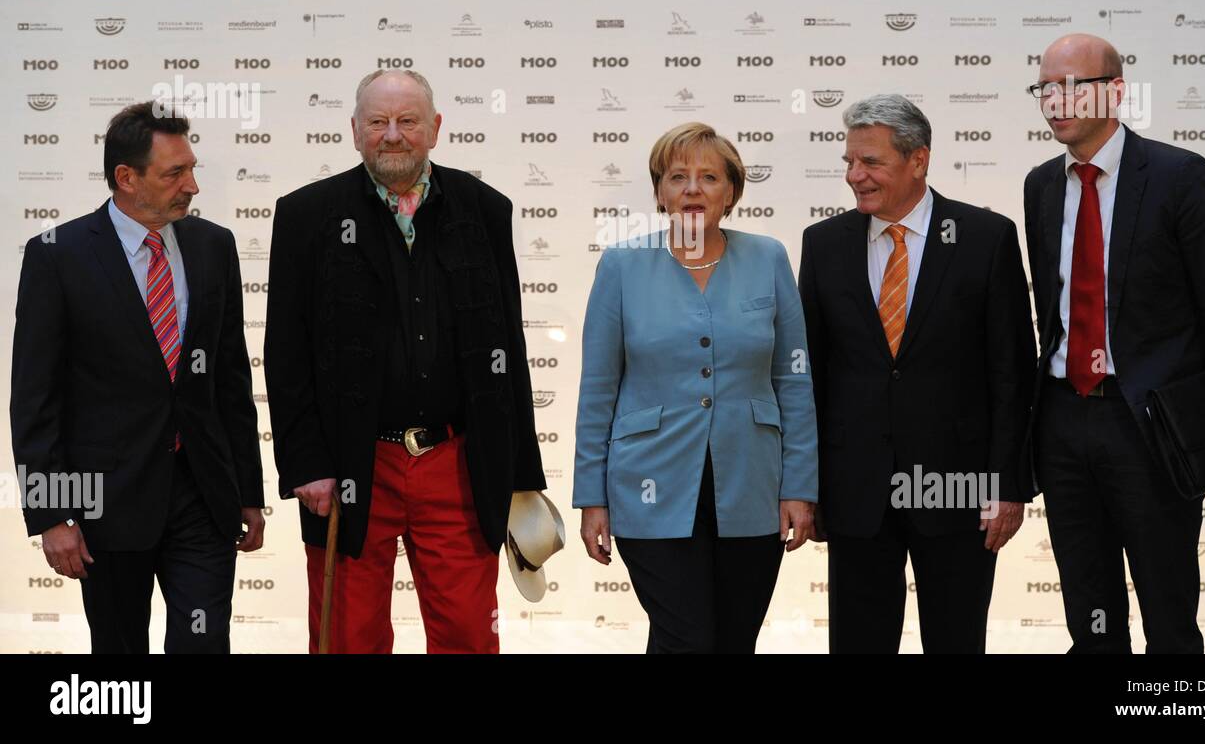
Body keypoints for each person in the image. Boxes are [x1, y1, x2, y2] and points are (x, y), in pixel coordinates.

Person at [1023, 33, 1205, 653]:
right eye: (1044, 88)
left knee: (1169, 615)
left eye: (1072, 86)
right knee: (1088, 615)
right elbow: (1053, 313)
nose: (1055, 101)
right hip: (1064, 420)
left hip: (1148, 423)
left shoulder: (1178, 176)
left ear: (1116, 91)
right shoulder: (1041, 185)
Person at [265, 69, 546, 653]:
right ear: (355, 131)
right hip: (350, 462)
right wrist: (305, 462)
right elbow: (285, 352)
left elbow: (507, 347)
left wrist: (520, 474)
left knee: (469, 633)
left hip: (457, 463)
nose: (392, 135)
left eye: (407, 121)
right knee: (348, 636)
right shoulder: (307, 215)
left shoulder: (485, 210)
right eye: (377, 122)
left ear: (435, 129)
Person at [10, 101, 264, 653]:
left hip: (203, 496)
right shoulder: (59, 256)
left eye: (191, 168)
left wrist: (248, 490)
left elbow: (228, 378)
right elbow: (35, 398)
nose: (192, 185)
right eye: (175, 173)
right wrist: (52, 515)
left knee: (203, 644)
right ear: (126, 178)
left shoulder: (213, 246)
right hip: (106, 506)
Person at [799, 95, 1036, 653]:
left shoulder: (986, 238)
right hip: (856, 491)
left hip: (960, 491)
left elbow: (1012, 374)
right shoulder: (824, 244)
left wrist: (1007, 484)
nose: (855, 176)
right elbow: (809, 376)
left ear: (918, 160)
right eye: (849, 162)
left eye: (871, 162)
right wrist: (804, 486)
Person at [573, 122, 817, 654]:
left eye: (709, 177)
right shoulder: (621, 266)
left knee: (733, 641)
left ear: (731, 192)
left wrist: (800, 486)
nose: (692, 189)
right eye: (677, 176)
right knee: (686, 638)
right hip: (648, 487)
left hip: (752, 488)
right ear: (659, 191)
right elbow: (598, 389)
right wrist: (592, 497)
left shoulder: (768, 257)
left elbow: (793, 379)